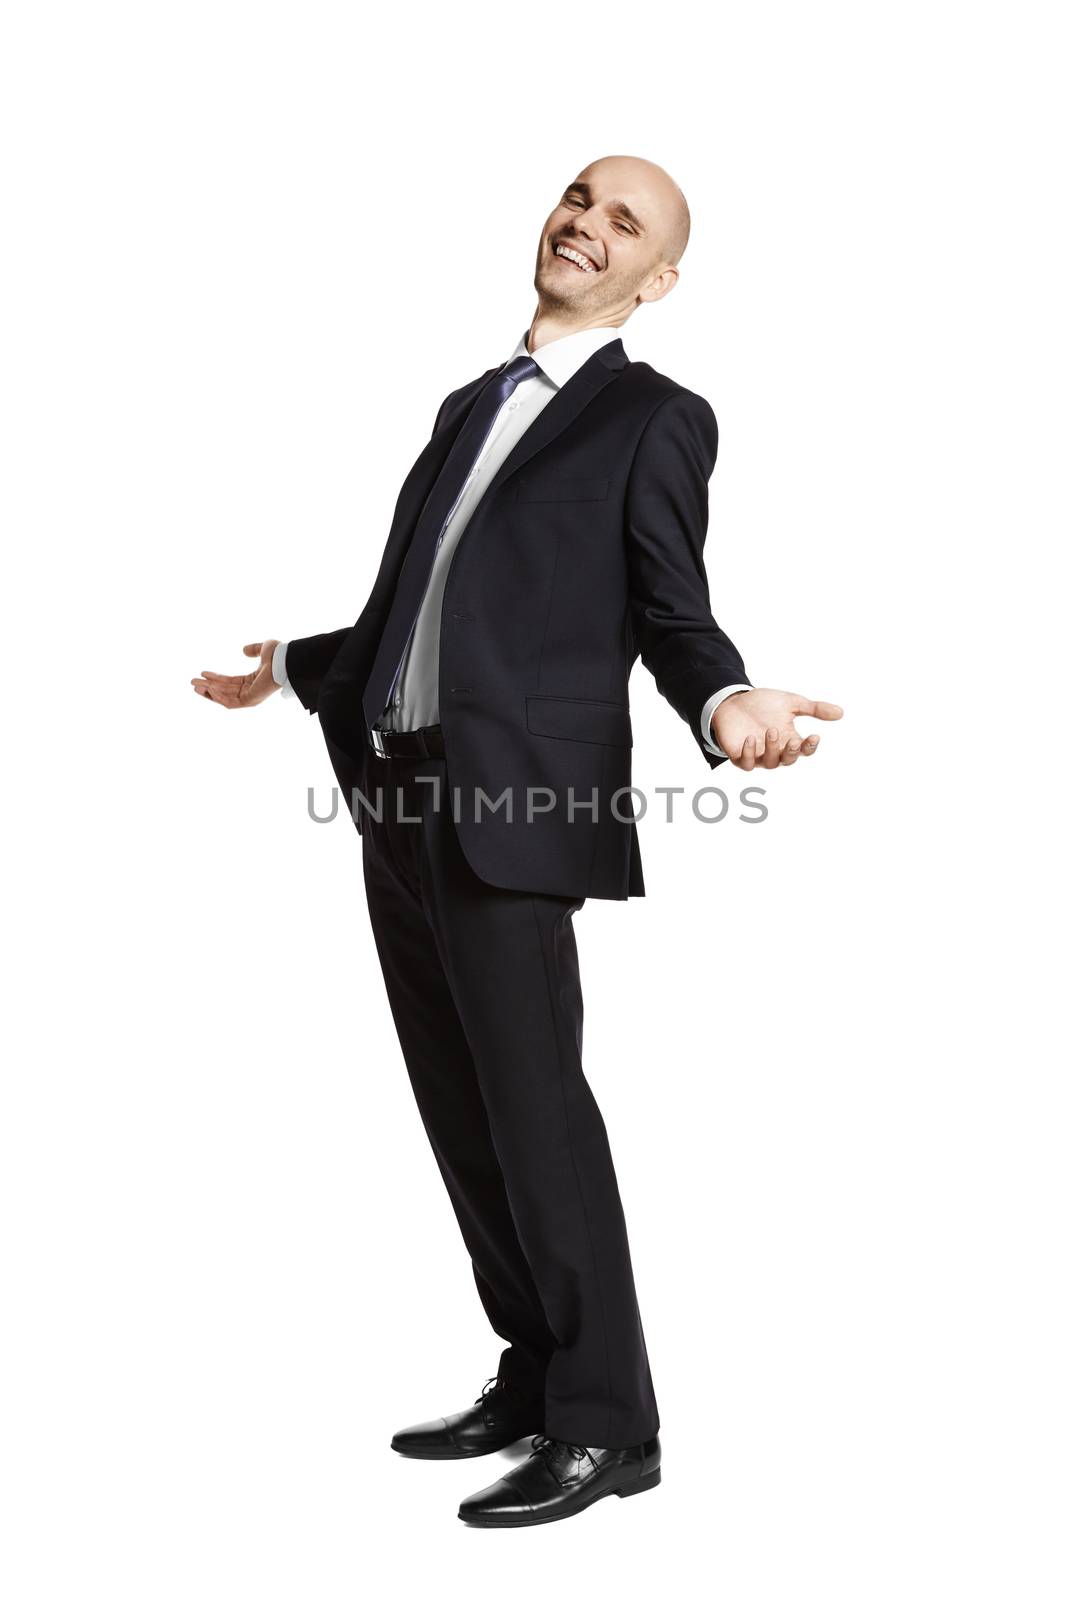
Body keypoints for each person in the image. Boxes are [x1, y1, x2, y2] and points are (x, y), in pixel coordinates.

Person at [192, 154, 842, 1528]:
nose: (588, 224)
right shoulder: (469, 403)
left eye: (629, 223)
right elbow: (419, 606)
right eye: (580, 197)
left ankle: (613, 1425)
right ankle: (540, 1375)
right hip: (403, 794)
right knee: (463, 1110)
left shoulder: (657, 420)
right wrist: (297, 668)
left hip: (519, 806)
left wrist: (726, 701)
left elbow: (670, 609)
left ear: (656, 280)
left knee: (540, 1116)